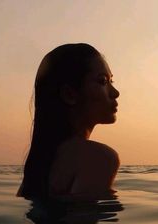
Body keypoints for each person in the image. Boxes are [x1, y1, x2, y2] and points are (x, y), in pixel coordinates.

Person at [17, 43, 120, 201]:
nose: (115, 93)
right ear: (70, 94)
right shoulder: (99, 158)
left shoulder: (39, 165)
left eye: (111, 81)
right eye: (103, 81)